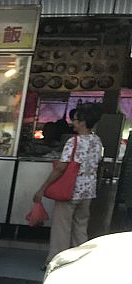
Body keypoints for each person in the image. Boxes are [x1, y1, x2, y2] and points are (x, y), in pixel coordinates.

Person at [34, 104, 104, 263]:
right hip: (88, 191)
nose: (72, 122)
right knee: (80, 227)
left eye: (75, 120)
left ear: (83, 122)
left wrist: (42, 188)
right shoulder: (97, 141)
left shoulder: (74, 142)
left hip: (70, 191)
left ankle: (57, 262)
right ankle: (79, 261)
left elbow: (60, 168)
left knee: (62, 229)